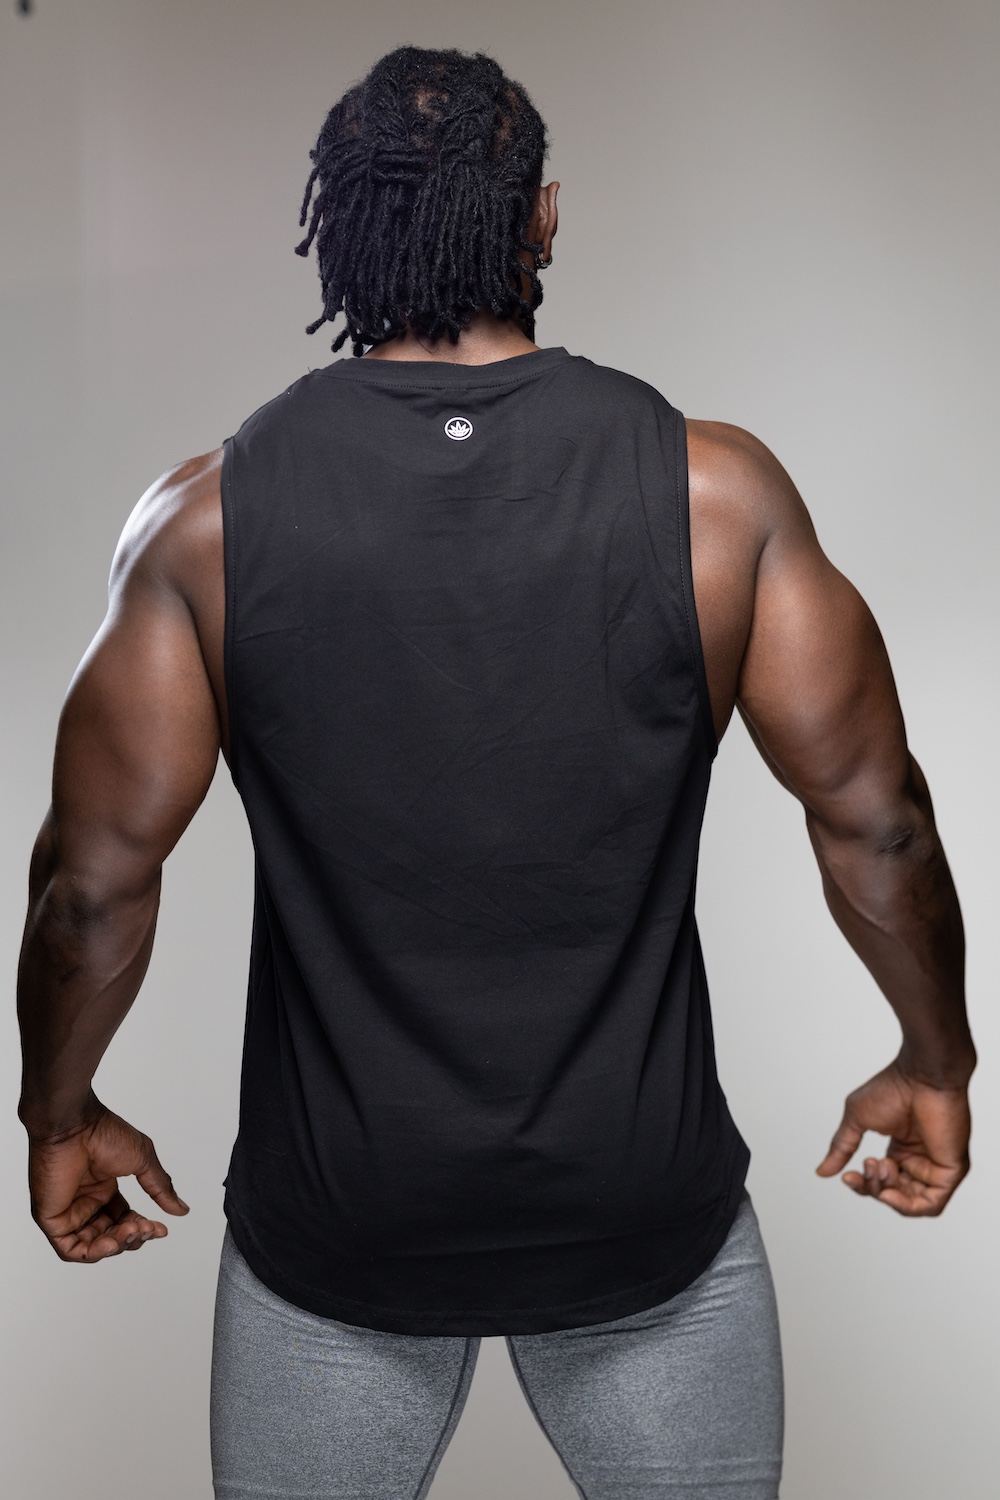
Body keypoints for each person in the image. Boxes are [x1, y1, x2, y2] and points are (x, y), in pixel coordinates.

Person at [17, 46, 974, 1500]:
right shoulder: (717, 498)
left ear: (336, 230)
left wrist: (58, 1109)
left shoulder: (204, 523)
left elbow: (91, 892)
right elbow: (881, 829)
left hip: (340, 1224)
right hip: (639, 1212)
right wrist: (936, 1058)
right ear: (542, 218)